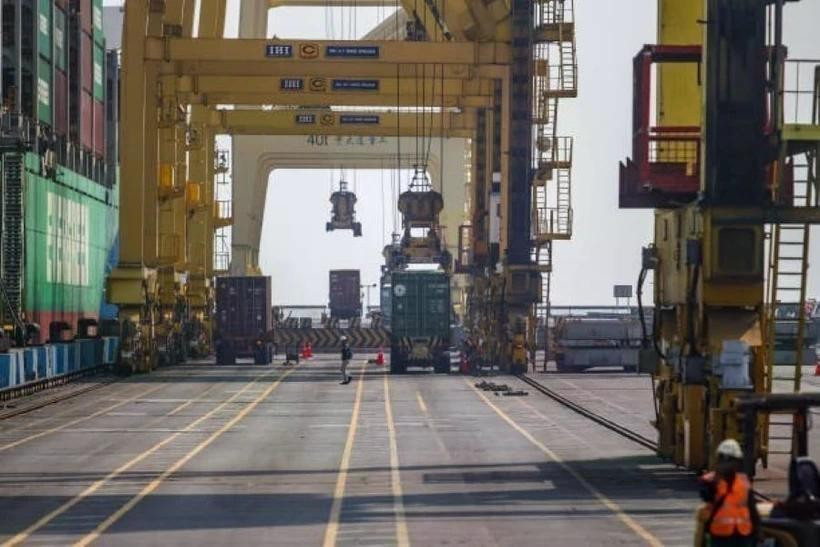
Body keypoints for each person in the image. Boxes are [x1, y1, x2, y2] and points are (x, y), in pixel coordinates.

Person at [698, 439, 760, 546]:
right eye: (727, 460)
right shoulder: (711, 480)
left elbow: (752, 508)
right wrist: (718, 477)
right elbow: (706, 496)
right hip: (720, 537)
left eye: (733, 460)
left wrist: (758, 532)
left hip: (743, 536)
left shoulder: (744, 481)